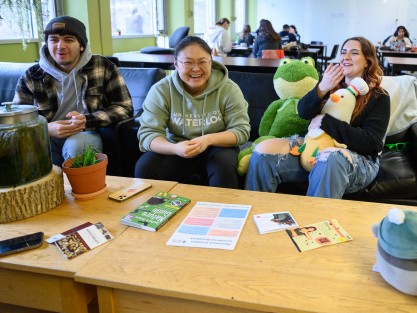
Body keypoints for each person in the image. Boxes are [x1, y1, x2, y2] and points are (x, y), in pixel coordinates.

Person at [245, 36, 390, 199]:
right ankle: (256, 212)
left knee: (329, 158)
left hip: (356, 159)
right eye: (343, 53)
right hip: (313, 150)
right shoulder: (330, 84)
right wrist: (321, 88)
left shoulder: (379, 97)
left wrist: (326, 122)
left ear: (367, 62)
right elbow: (303, 112)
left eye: (354, 53)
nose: (346, 57)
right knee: (262, 151)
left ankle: (315, 223)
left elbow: (371, 142)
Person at [13, 16, 133, 166]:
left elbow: (124, 107)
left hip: (86, 133)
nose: (60, 46)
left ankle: (79, 189)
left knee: (77, 146)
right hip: (47, 136)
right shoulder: (31, 75)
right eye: (54, 40)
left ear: (81, 45)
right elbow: (16, 122)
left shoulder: (103, 66)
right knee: (29, 152)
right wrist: (45, 129)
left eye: (68, 40)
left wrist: (86, 121)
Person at [135, 36, 250, 189]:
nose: (196, 68)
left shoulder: (229, 89)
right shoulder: (161, 90)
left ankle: (221, 210)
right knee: (145, 166)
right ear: (176, 64)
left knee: (224, 165)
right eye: (188, 62)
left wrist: (207, 140)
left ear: (211, 62)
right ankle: (154, 210)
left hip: (217, 147)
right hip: (176, 147)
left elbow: (241, 131)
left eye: (202, 62)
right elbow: (148, 134)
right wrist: (175, 148)